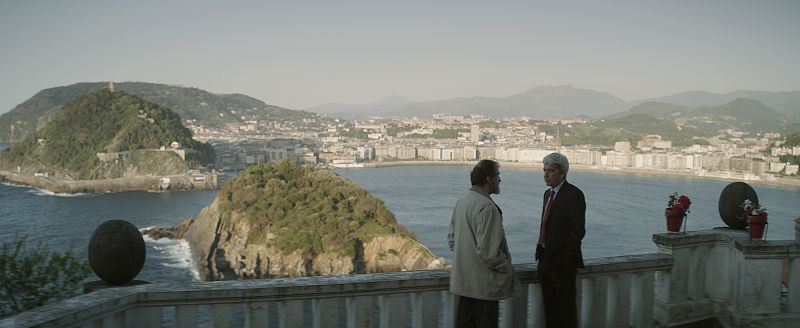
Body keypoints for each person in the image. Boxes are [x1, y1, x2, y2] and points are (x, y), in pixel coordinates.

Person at [448, 159, 517, 328]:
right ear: (488, 179)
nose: (499, 180)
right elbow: (490, 254)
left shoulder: (463, 201)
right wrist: (506, 267)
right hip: (483, 288)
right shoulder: (487, 207)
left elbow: (452, 241)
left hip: (463, 284)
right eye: (497, 176)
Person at [535, 152, 586, 328]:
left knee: (565, 311)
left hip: (563, 265)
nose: (546, 175)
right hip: (545, 261)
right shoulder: (547, 194)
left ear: (562, 173)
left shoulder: (574, 194)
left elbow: (577, 230)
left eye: (551, 171)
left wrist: (565, 260)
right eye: (544, 170)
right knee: (550, 310)